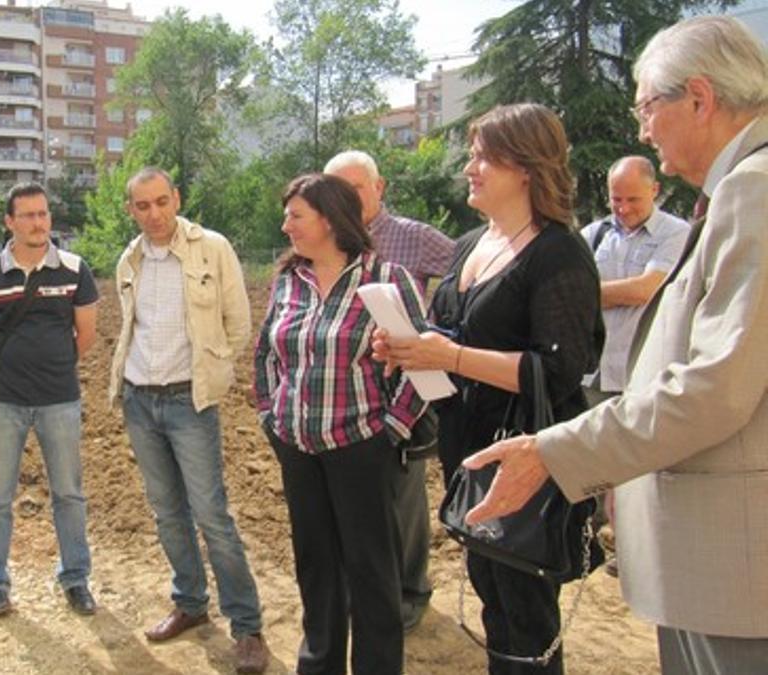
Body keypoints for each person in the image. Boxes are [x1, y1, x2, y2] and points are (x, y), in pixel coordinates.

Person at [458, 16, 768, 674]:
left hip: (736, 564)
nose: (643, 128)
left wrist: (555, 450)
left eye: (648, 107)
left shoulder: (754, 190)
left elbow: (716, 388)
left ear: (701, 99)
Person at [373, 103, 604, 674]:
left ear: (526, 166)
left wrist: (445, 354)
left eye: (483, 157)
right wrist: (410, 347)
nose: (468, 168)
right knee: (492, 595)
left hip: (522, 458)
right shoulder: (471, 243)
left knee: (525, 609)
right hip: (468, 448)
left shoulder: (558, 252)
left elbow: (559, 370)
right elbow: (453, 333)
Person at [255, 173, 428, 675]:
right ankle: (320, 665)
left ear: (329, 220)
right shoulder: (289, 281)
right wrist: (272, 416)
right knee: (317, 568)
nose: (285, 225)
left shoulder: (386, 281)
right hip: (299, 447)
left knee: (373, 573)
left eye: (296, 216)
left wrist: (391, 429)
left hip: (362, 447)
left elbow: (422, 364)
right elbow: (267, 353)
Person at [108, 167, 269, 674]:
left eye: (161, 201)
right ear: (131, 210)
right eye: (142, 206)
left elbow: (238, 324)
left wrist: (212, 376)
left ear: (176, 198)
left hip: (189, 402)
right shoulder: (128, 259)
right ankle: (191, 604)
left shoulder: (212, 248)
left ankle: (247, 627)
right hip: (139, 399)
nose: (154, 214)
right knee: (166, 511)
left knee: (212, 515)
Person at [325, 150, 455, 630]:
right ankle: (367, 588)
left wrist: (439, 330)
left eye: (356, 188)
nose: (346, 197)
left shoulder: (412, 237)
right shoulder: (328, 240)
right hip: (345, 390)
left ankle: (410, 590)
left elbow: (467, 271)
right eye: (336, 188)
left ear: (378, 189)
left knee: (402, 498)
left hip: (402, 389)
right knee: (354, 502)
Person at [0, 182, 99, 618]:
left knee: (69, 494)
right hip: (3, 401)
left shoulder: (74, 270)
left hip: (60, 399)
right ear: (9, 222)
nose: (38, 223)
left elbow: (87, 335)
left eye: (43, 214)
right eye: (27, 215)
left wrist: (53, 367)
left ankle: (76, 578)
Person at [579, 156, 688, 409]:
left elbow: (648, 290)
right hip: (595, 374)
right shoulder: (593, 235)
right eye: (616, 200)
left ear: (654, 190)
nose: (624, 208)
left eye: (633, 200)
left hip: (645, 372)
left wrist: (588, 294)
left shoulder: (676, 233)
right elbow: (567, 294)